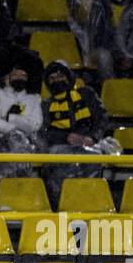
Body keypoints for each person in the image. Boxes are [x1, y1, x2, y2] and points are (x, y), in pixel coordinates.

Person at [41, 59, 111, 203]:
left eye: (60, 76)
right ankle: (62, 204)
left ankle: (89, 202)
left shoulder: (87, 94)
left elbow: (102, 119)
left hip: (89, 143)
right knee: (61, 160)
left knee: (93, 157)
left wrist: (93, 138)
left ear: (68, 77)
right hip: (61, 145)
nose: (56, 81)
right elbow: (45, 130)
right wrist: (66, 137)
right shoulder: (46, 105)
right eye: (52, 78)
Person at [0, 59, 43, 174]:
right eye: (16, 74)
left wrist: (11, 118)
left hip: (28, 142)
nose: (20, 77)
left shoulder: (34, 98)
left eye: (24, 75)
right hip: (1, 140)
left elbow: (36, 125)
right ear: (8, 76)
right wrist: (17, 130)